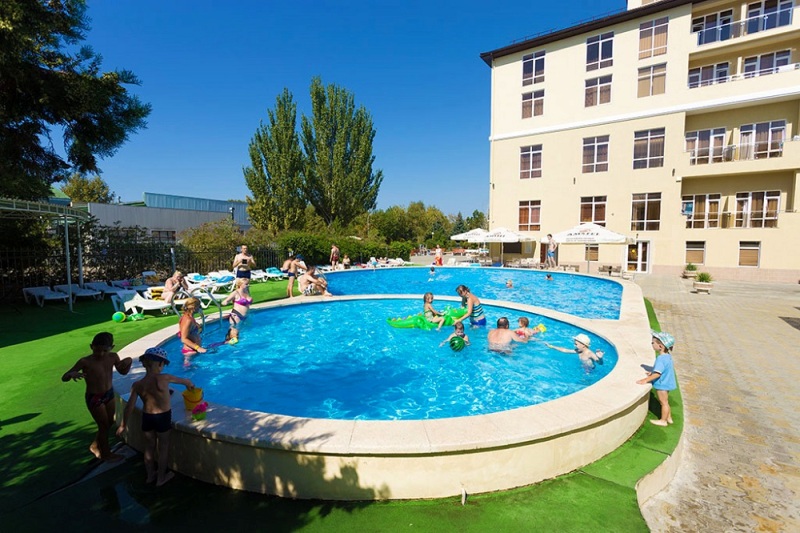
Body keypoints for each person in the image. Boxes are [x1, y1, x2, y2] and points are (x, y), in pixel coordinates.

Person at [116, 347, 196, 486]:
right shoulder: (164, 378)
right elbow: (186, 381)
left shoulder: (137, 385)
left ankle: (150, 476)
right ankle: (161, 478)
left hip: (147, 417)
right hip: (162, 417)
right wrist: (190, 386)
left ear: (144, 363)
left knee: (149, 447)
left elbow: (130, 406)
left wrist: (123, 425)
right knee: (163, 447)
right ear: (160, 364)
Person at [62, 332, 132, 462]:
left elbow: (122, 372)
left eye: (105, 351)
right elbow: (64, 377)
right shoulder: (85, 361)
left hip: (109, 394)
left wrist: (128, 361)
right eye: (97, 350)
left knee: (109, 422)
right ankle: (106, 454)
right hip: (94, 397)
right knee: (103, 425)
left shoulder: (113, 357)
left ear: (112, 347)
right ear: (91, 347)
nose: (101, 354)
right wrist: (71, 374)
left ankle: (95, 446)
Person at [637, 331, 677, 427]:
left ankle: (663, 421)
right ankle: (669, 418)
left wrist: (645, 380)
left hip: (662, 384)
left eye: (653, 343)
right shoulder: (667, 356)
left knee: (663, 403)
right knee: (666, 401)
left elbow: (658, 374)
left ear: (660, 346)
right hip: (667, 382)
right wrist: (652, 372)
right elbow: (662, 369)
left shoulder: (660, 359)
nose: (651, 344)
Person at [220, 278, 252, 343]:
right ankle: (226, 343)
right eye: (246, 284)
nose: (248, 285)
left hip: (245, 316)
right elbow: (225, 301)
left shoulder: (247, 291)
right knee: (233, 334)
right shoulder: (235, 293)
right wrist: (225, 302)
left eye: (248, 283)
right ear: (240, 284)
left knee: (241, 333)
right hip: (236, 316)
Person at [179, 298, 207, 363]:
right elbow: (183, 339)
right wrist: (198, 348)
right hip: (190, 352)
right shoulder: (187, 320)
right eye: (199, 306)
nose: (200, 308)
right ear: (194, 307)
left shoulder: (190, 318)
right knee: (188, 368)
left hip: (194, 350)